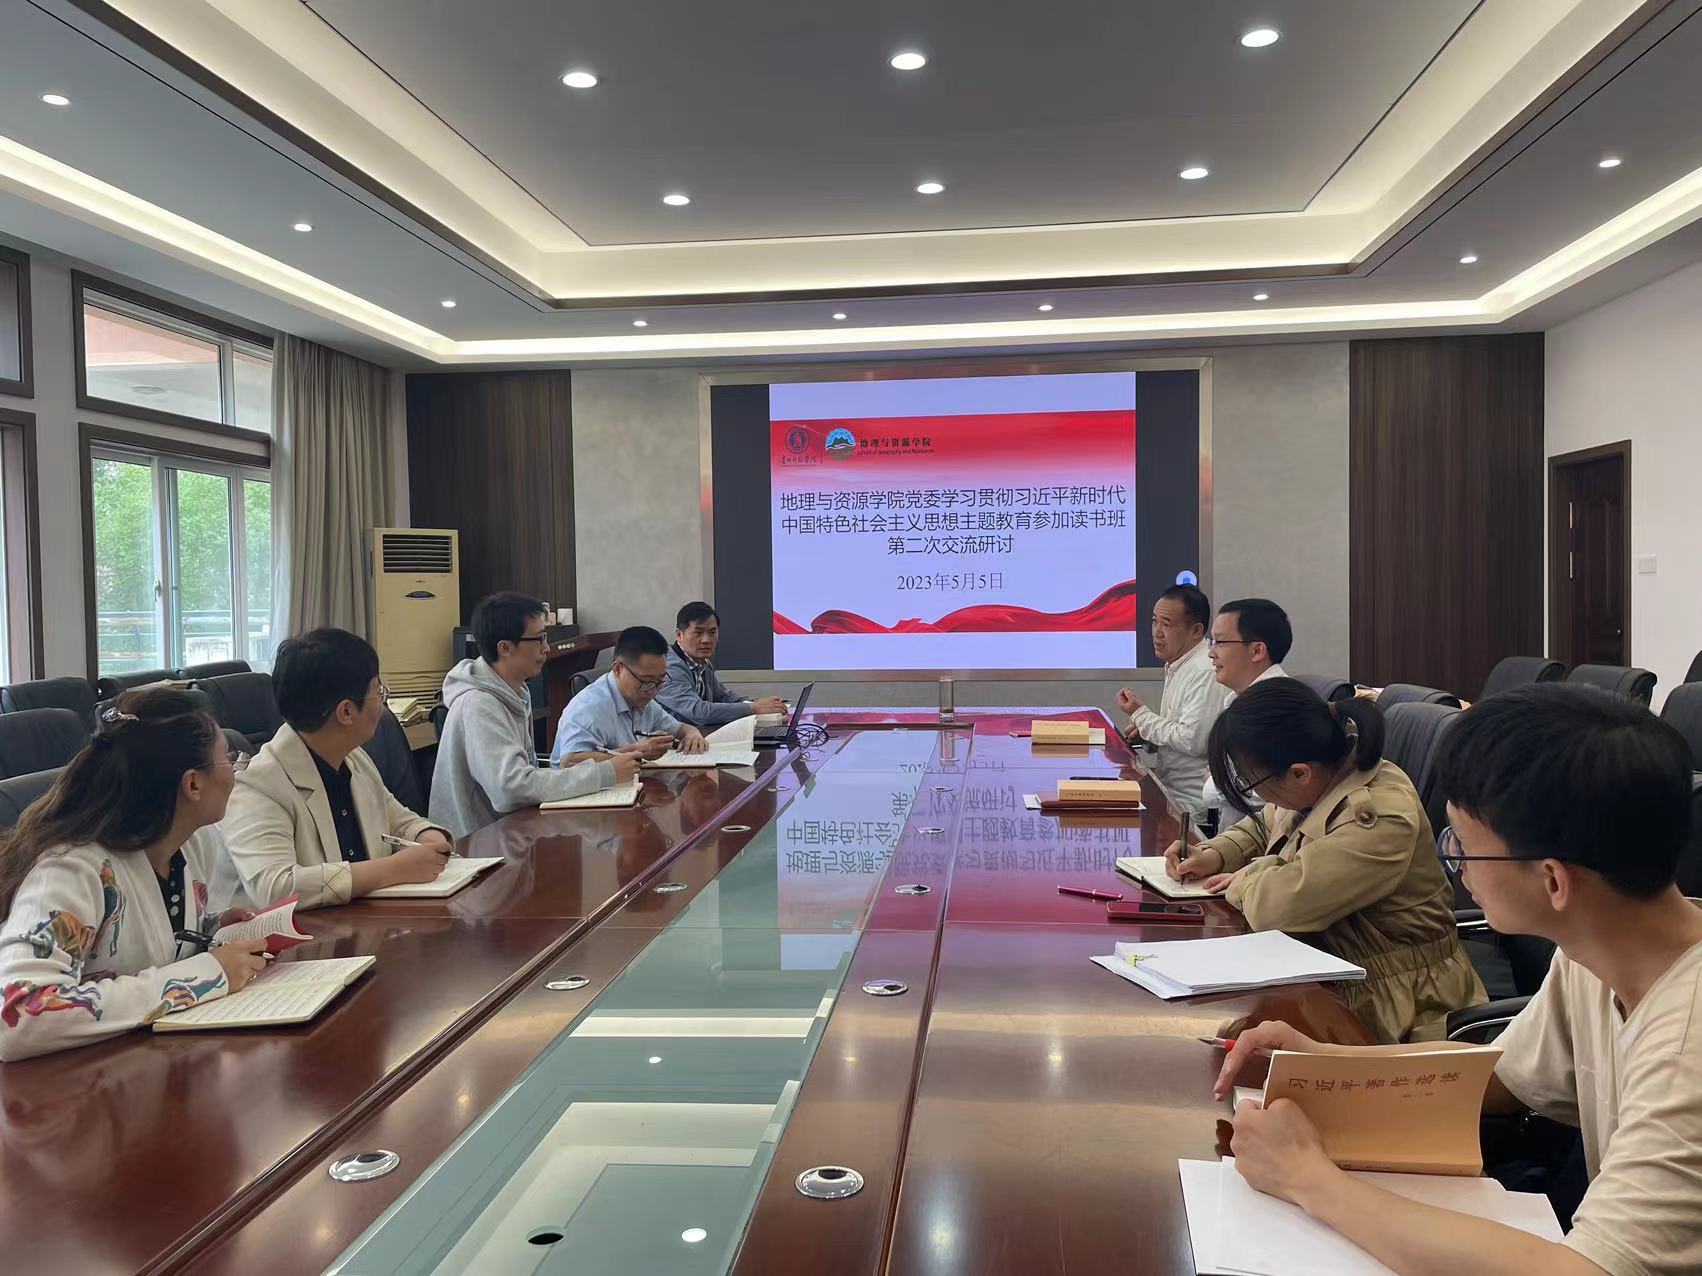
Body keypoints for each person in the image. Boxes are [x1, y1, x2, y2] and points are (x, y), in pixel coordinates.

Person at [1215, 684, 1702, 1276]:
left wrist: (1308, 1178)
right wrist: (1324, 1064)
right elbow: (1500, 1077)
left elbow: (1588, 1271)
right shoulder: (1596, 948)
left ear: (1553, 881)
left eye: (1463, 846)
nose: (1456, 867)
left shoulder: (1687, 1046)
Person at [1171, 679, 1483, 1041]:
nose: (1257, 794)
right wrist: (1214, 853)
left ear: (1299, 773)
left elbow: (1277, 909)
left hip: (1399, 1005)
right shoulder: (1322, 776)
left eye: (1250, 782)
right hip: (1333, 975)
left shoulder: (1379, 816)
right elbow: (1265, 823)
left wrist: (1245, 877)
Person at [0, 689, 268, 1060]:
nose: (238, 769)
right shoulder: (71, 869)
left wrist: (213, 930)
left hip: (148, 1062)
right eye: (229, 758)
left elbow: (147, 943)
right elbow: (20, 1016)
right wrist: (205, 976)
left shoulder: (192, 844)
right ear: (192, 783)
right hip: (70, 1083)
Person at [222, 627, 456, 909]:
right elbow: (275, 888)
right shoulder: (258, 786)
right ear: (346, 711)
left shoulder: (354, 759)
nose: (382, 703)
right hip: (301, 935)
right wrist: (394, 868)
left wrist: (429, 839)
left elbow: (400, 821)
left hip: (367, 924)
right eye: (377, 691)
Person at [432, 592, 638, 835]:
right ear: (505, 648)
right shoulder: (479, 704)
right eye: (539, 639)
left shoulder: (517, 691)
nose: (547, 648)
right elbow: (511, 789)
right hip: (478, 841)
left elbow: (524, 772)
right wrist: (605, 773)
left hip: (514, 828)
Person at [1116, 583, 1228, 816]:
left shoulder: (1204, 670)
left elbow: (1193, 740)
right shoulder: (1180, 663)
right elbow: (1179, 731)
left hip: (1192, 806)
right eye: (1154, 621)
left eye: (1166, 624)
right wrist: (1148, 736)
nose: (1156, 632)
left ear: (1196, 631)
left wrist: (1141, 715)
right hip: (1170, 792)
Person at [552, 625, 708, 763]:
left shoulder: (642, 698)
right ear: (618, 669)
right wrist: (637, 750)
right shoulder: (590, 707)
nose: (653, 691)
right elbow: (570, 761)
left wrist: (692, 734)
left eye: (660, 680)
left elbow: (678, 728)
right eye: (646, 681)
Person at [1200, 597, 1293, 813]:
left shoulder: (1275, 707)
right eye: (1212, 642)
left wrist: (1215, 781)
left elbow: (1264, 789)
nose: (1211, 653)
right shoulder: (1239, 698)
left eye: (1220, 642)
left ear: (1257, 650)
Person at [658, 601, 788, 730]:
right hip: (670, 740)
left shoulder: (703, 662)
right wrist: (754, 708)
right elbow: (699, 712)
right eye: (698, 633)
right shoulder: (666, 666)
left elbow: (722, 696)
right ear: (679, 635)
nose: (706, 640)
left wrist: (756, 703)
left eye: (712, 632)